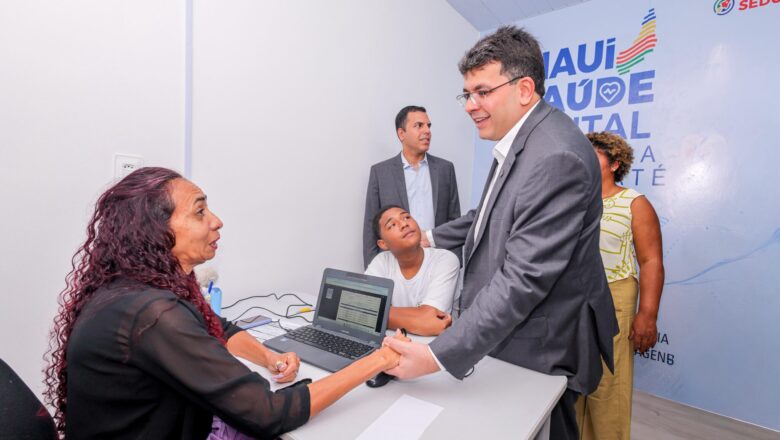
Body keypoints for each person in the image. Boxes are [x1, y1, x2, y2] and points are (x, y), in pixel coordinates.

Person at [44, 167, 403, 440]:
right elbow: (269, 412)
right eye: (199, 212)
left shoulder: (134, 287)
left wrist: (269, 357)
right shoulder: (152, 314)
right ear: (156, 231)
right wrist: (378, 360)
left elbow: (218, 326)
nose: (217, 221)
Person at [382, 26, 619, 440]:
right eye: (467, 94)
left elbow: (523, 278)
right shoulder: (524, 137)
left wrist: (436, 356)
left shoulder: (555, 155)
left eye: (482, 92)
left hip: (543, 340)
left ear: (524, 88)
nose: (471, 105)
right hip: (517, 333)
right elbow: (488, 212)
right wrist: (431, 237)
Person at [575, 131, 665, 440]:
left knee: (607, 386)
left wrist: (648, 315)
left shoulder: (634, 203)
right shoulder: (573, 201)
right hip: (573, 299)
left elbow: (651, 261)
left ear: (615, 163)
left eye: (594, 153)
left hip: (614, 294)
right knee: (572, 383)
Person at [363, 105, 461, 268]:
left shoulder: (445, 169)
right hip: (395, 263)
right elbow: (370, 224)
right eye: (418, 125)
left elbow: (454, 218)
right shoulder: (380, 172)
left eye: (428, 126)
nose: (427, 131)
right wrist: (372, 267)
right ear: (401, 134)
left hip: (437, 261)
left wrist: (455, 261)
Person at [365, 205, 460, 336]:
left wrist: (377, 314)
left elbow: (430, 321)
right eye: (392, 225)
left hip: (436, 349)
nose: (404, 224)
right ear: (383, 244)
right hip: (396, 344)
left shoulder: (445, 259)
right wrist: (418, 319)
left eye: (406, 217)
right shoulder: (381, 261)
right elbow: (363, 308)